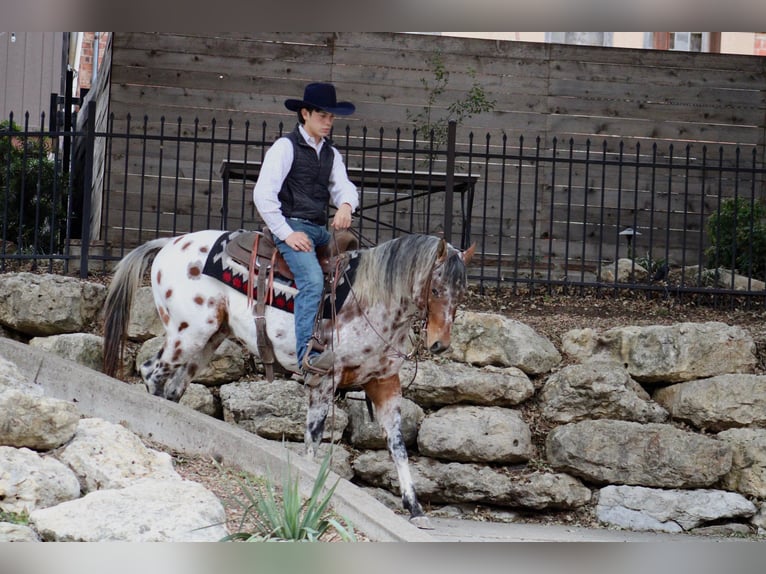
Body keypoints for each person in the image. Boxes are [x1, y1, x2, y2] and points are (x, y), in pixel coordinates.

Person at [253, 82, 359, 378]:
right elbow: (263, 195)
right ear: (305, 113)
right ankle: (306, 357)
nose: (328, 122)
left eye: (331, 117)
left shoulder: (330, 154)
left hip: (317, 229)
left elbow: (344, 188)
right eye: (322, 116)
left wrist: (346, 206)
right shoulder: (285, 147)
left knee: (356, 263)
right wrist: (286, 233)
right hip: (291, 226)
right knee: (313, 281)